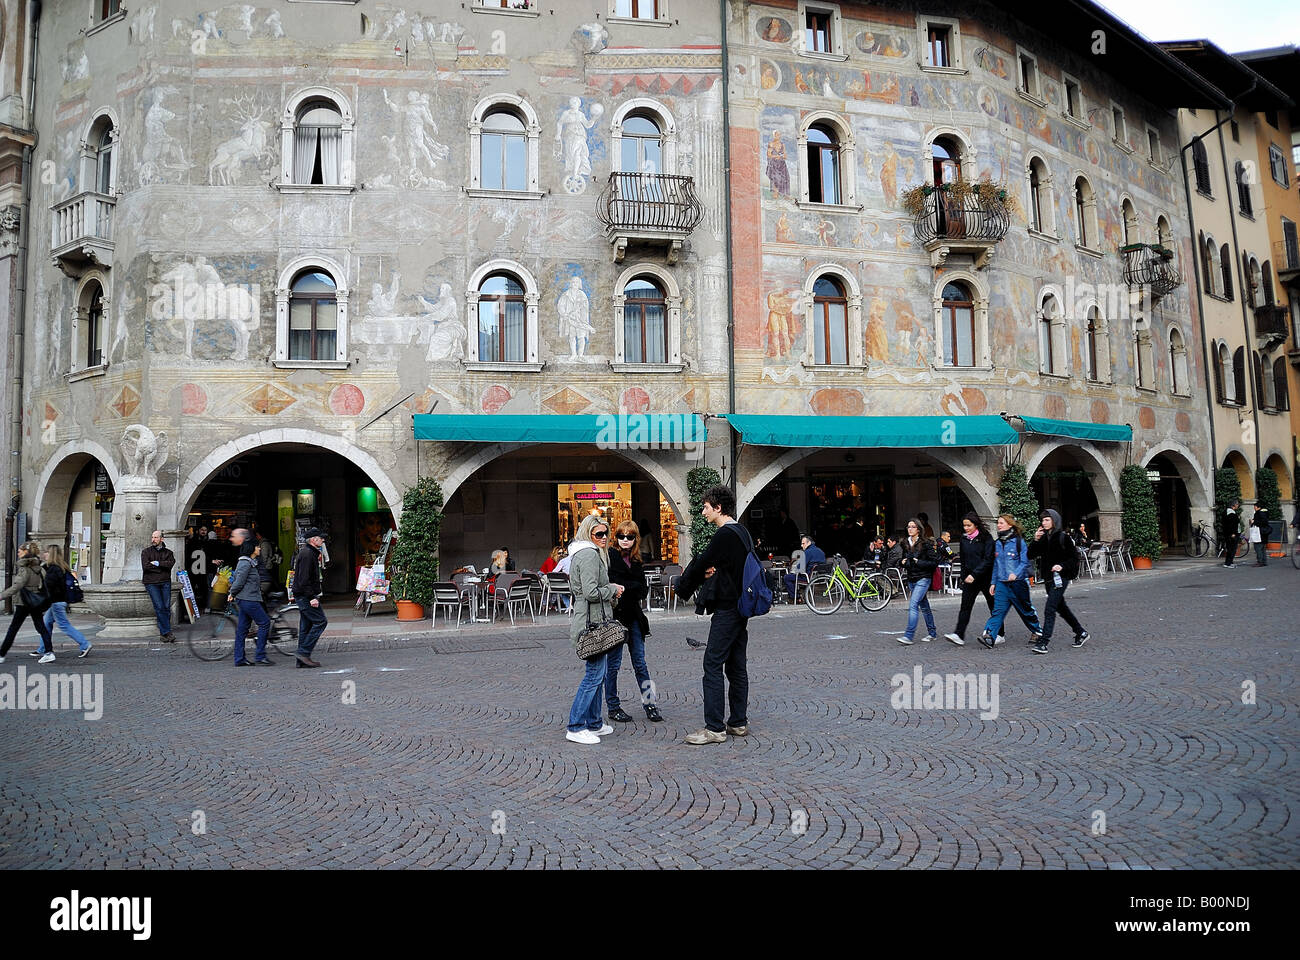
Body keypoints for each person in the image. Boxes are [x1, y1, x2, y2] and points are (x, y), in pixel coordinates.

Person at [674, 485, 757, 745]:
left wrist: (682, 588)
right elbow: (726, 566)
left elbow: (701, 562)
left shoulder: (724, 534)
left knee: (712, 664)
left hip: (728, 608)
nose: (703, 512)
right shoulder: (742, 531)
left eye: (706, 507)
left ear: (718, 507)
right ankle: (738, 722)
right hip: (740, 607)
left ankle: (714, 728)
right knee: (736, 665)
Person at [565, 515, 623, 744]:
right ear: (587, 534)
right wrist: (612, 589)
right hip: (592, 622)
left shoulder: (586, 553)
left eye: (606, 533)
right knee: (594, 676)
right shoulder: (588, 555)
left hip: (592, 619)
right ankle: (576, 725)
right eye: (598, 534)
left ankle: (594, 722)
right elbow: (590, 592)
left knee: (598, 674)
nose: (604, 538)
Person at [606, 521, 665, 724]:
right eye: (622, 536)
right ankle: (613, 707)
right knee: (612, 666)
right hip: (616, 618)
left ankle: (650, 704)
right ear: (617, 537)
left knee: (640, 664)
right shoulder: (610, 557)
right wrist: (629, 586)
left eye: (630, 537)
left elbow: (642, 590)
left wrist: (624, 586)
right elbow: (613, 584)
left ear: (635, 539)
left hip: (634, 618)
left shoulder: (638, 559)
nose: (625, 540)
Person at [1027, 509, 1089, 654]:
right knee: (1061, 608)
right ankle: (1081, 632)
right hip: (1049, 579)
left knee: (1050, 608)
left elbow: (1074, 559)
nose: (1044, 523)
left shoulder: (1063, 537)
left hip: (1062, 578)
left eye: (1047, 520)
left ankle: (1043, 642)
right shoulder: (1043, 538)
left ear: (1054, 521)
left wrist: (1062, 565)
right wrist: (1035, 540)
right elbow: (1030, 555)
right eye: (1043, 520)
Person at [978, 515, 1043, 648]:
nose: (999, 525)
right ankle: (989, 636)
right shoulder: (997, 543)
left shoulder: (1019, 542)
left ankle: (1038, 631)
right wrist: (993, 582)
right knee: (997, 611)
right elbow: (996, 565)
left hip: (1018, 583)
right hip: (1002, 583)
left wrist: (1016, 573)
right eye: (998, 523)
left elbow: (1025, 562)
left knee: (1025, 610)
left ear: (1010, 525)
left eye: (1001, 523)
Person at [944, 513, 1002, 646]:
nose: (966, 528)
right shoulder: (964, 539)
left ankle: (999, 633)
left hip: (986, 578)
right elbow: (963, 560)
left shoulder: (986, 538)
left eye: (969, 525)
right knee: (965, 607)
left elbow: (988, 560)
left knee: (993, 606)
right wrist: (963, 578)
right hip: (970, 580)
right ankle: (959, 634)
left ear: (976, 525)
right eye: (964, 525)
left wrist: (974, 574)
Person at [0, 542, 54, 664]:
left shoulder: (25, 569)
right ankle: (49, 652)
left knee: (13, 629)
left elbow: (17, 586)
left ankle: (2, 654)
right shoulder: (39, 568)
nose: (18, 552)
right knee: (41, 627)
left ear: (26, 552)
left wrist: (2, 595)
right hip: (35, 601)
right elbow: (45, 583)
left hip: (23, 601)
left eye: (20, 550)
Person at [40, 545, 91, 661]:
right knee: (46, 624)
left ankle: (84, 644)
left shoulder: (53, 569)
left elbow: (50, 587)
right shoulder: (62, 567)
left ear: (51, 554)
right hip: (59, 601)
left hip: (55, 602)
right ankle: (42, 648)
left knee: (64, 625)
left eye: (46, 552)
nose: (44, 555)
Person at [229, 539, 273, 666]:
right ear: (252, 549)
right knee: (265, 623)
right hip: (249, 600)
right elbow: (239, 581)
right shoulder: (245, 563)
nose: (259, 549)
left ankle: (239, 658)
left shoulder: (249, 562)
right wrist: (232, 593)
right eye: (257, 547)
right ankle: (260, 655)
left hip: (247, 599)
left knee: (242, 629)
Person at [896, 518, 939, 645]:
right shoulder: (905, 543)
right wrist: (902, 562)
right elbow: (904, 560)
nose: (910, 529)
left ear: (918, 529)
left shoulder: (926, 543)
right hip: (911, 578)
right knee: (924, 607)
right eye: (908, 526)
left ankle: (908, 636)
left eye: (913, 527)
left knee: (913, 605)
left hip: (923, 578)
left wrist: (918, 562)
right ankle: (932, 633)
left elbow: (934, 562)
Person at [293, 528, 328, 668]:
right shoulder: (308, 554)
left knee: (305, 627)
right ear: (314, 540)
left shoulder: (309, 553)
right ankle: (303, 652)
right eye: (321, 538)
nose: (323, 540)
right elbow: (304, 579)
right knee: (321, 621)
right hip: (305, 596)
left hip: (303, 595)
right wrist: (311, 597)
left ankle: (301, 660)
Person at [141, 530, 177, 642]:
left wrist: (157, 563)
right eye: (152, 537)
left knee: (166, 607)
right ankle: (167, 632)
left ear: (162, 539)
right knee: (160, 607)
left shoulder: (168, 553)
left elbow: (170, 564)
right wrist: (162, 567)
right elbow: (146, 567)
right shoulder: (146, 552)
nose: (153, 540)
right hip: (151, 583)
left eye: (156, 537)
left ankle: (163, 634)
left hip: (165, 582)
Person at [784, 534, 825, 602]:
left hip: (808, 578)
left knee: (787, 577)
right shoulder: (821, 551)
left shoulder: (807, 552)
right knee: (795, 577)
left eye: (803, 543)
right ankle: (801, 595)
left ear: (809, 543)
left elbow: (799, 568)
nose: (801, 545)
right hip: (820, 578)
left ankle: (796, 598)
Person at [1222, 498, 1244, 568]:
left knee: (1230, 548)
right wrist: (1233, 533)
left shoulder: (1226, 512)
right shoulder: (1231, 514)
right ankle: (1228, 563)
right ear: (1233, 505)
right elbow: (1232, 525)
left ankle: (1228, 562)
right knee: (1232, 549)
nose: (1238, 505)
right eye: (1237, 504)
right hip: (1232, 534)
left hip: (1228, 533)